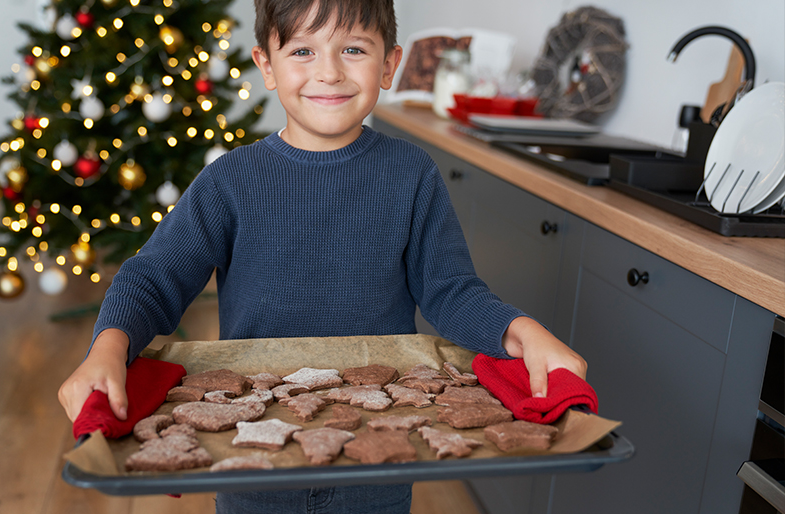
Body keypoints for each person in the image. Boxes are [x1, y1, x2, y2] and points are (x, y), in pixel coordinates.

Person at [58, 0, 587, 512]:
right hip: (255, 456)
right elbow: (154, 279)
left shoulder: (413, 174)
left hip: (376, 455)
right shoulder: (229, 181)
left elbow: (451, 291)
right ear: (266, 64)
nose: (329, 73)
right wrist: (108, 349)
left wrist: (522, 332)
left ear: (389, 65)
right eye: (303, 51)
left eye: (354, 49)